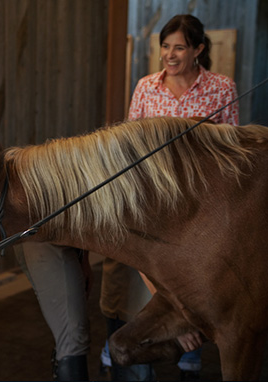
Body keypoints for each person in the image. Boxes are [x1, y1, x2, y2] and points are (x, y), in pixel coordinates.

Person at [101, 13, 239, 381]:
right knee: (144, 257)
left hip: (199, 198)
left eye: (179, 47)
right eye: (165, 46)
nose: (170, 54)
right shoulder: (147, 87)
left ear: (198, 50)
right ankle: (154, 330)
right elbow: (129, 143)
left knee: (200, 264)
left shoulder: (222, 87)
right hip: (154, 195)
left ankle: (188, 336)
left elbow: (231, 150)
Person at [16, 243, 92, 381]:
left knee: (69, 336)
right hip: (46, 239)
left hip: (52, 238)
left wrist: (84, 257)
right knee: (72, 338)